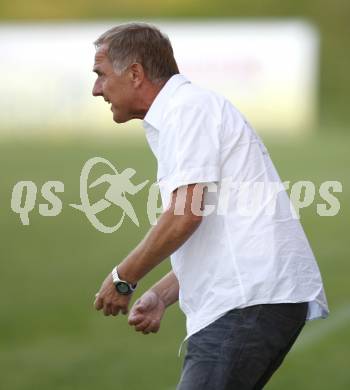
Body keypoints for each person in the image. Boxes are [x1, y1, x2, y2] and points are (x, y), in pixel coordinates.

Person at [92, 22, 329, 389]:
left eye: (101, 75)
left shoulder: (187, 110)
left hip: (247, 304)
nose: (96, 89)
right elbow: (224, 229)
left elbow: (186, 215)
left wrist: (125, 278)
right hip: (253, 300)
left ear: (135, 73)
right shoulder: (185, 110)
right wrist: (162, 294)